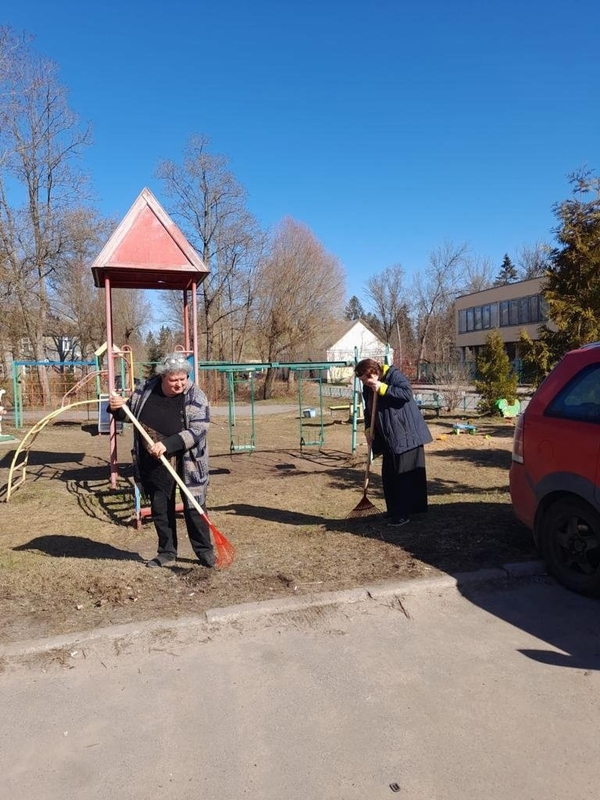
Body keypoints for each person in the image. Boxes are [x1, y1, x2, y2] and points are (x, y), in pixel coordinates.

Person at [108, 353, 214, 568]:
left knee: (194, 507)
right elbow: (129, 416)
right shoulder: (145, 390)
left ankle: (204, 552)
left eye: (182, 379)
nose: (179, 384)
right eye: (174, 380)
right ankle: (166, 552)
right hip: (153, 458)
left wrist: (169, 444)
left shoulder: (195, 394)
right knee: (160, 507)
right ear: (163, 377)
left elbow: (199, 429)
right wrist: (116, 408)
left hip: (187, 459)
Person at [355, 358, 433, 526]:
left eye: (365, 379)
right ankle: (393, 510)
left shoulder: (394, 375)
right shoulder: (368, 387)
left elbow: (406, 393)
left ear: (374, 373)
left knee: (403, 476)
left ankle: (403, 513)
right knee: (389, 475)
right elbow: (370, 411)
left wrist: (383, 388)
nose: (364, 383)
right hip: (388, 437)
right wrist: (368, 430)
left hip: (406, 434)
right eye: (362, 381)